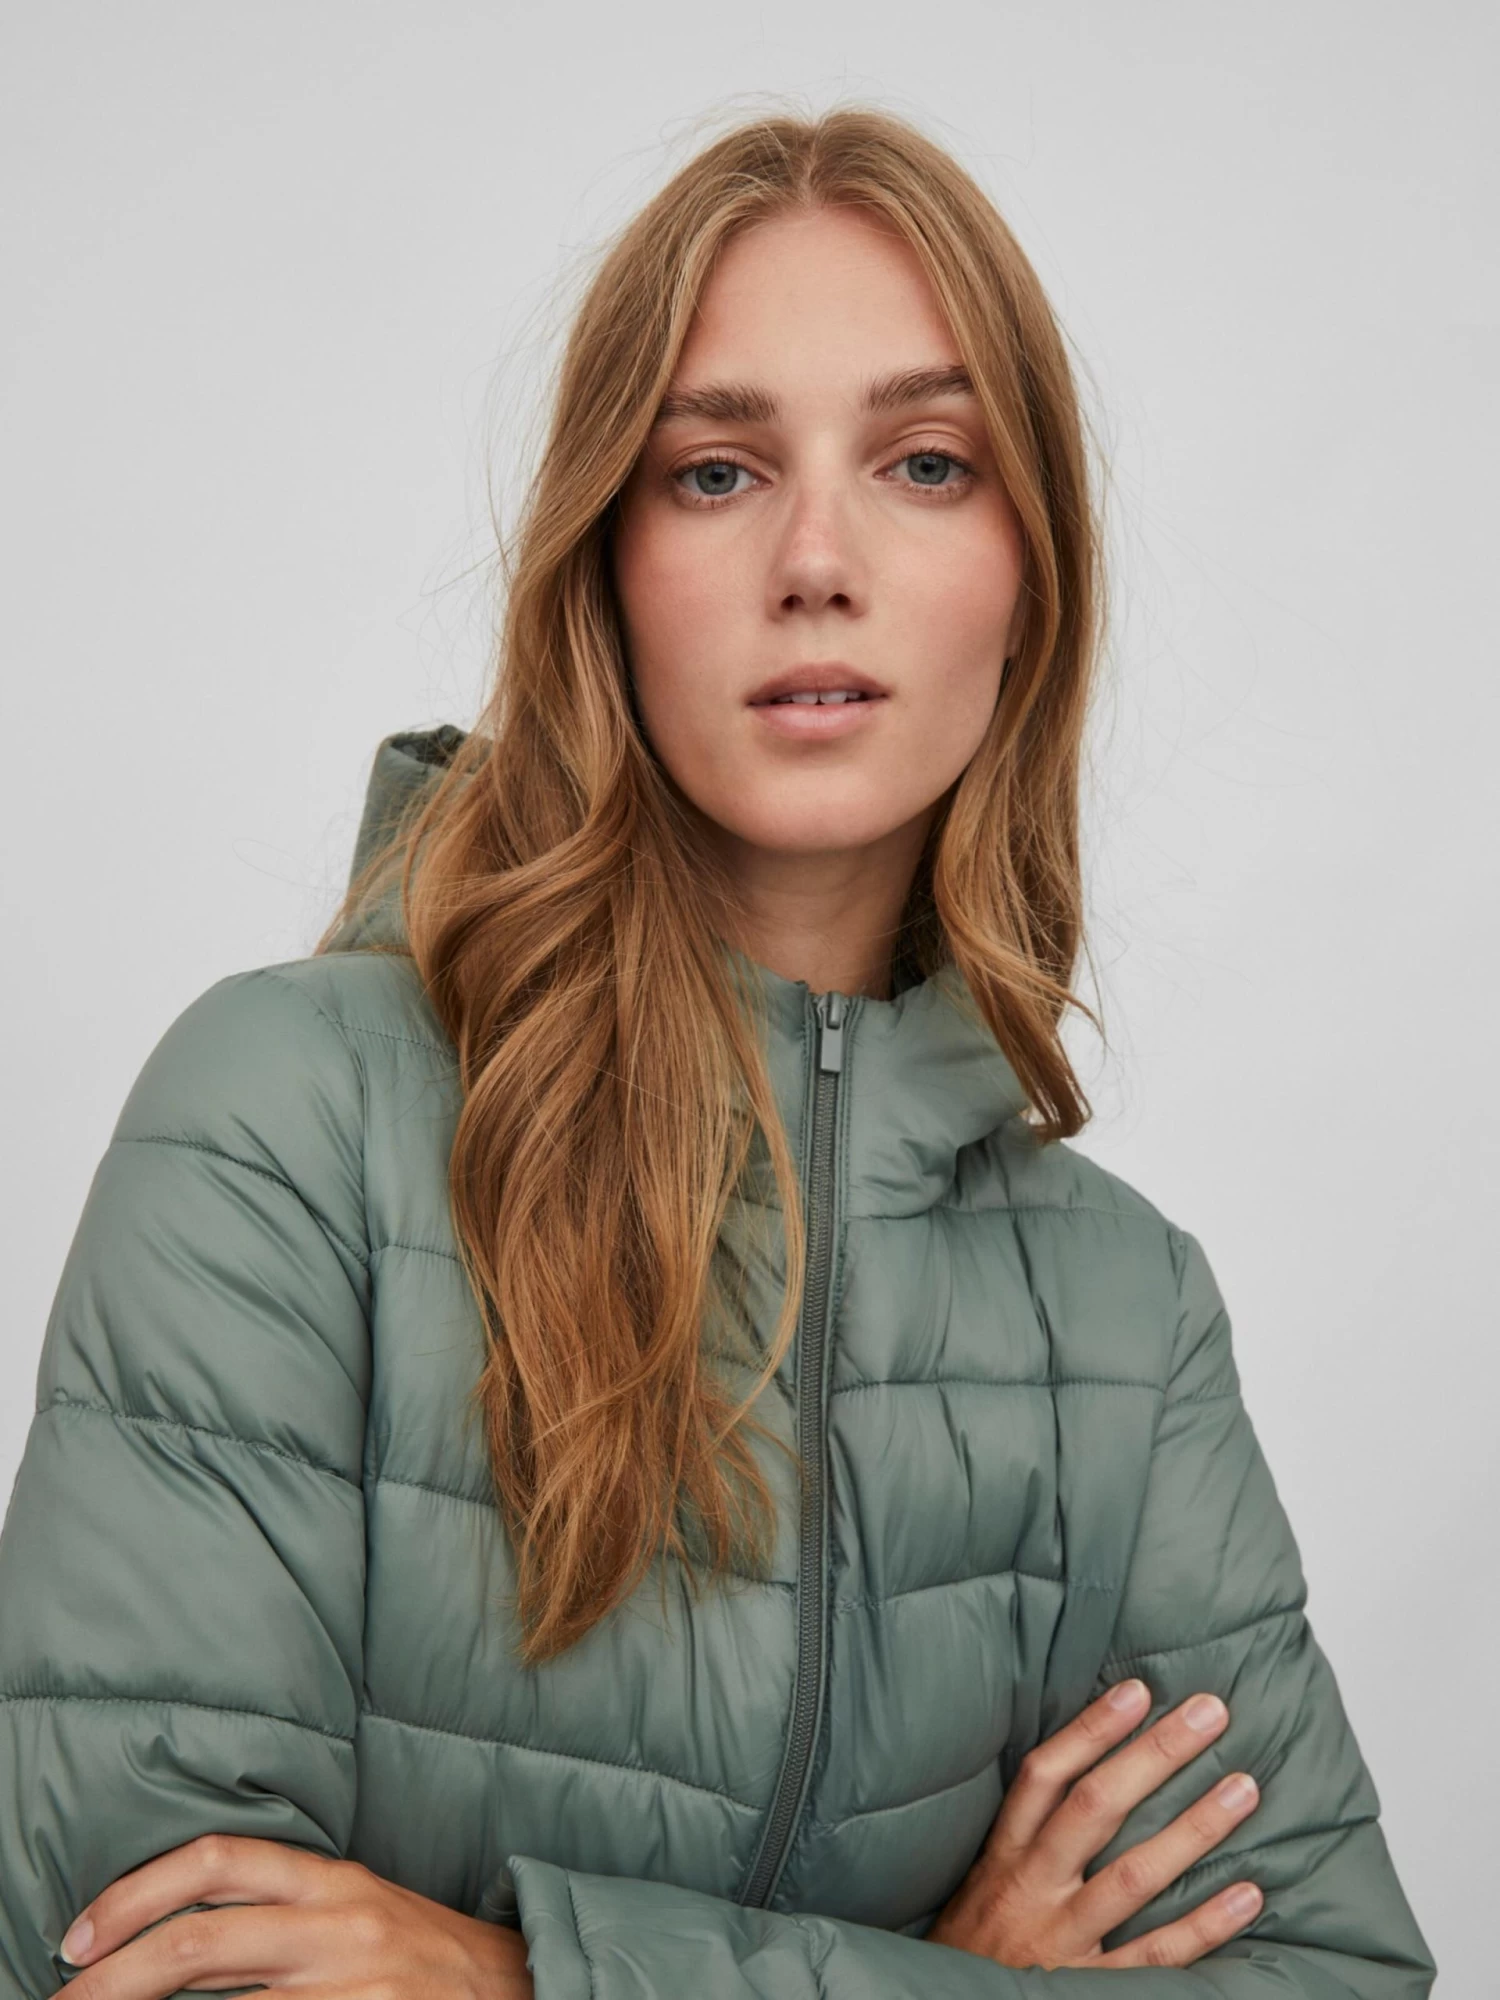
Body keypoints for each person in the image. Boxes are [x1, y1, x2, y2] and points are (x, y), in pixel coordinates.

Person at [0, 106, 1434, 1999]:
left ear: (1032, 581)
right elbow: (154, 1960)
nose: (816, 559)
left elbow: (1324, 1974)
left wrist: (515, 1976)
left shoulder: (1125, 1318)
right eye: (715, 472)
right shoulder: (285, 1128)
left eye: (926, 463)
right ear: (605, 564)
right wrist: (963, 1975)